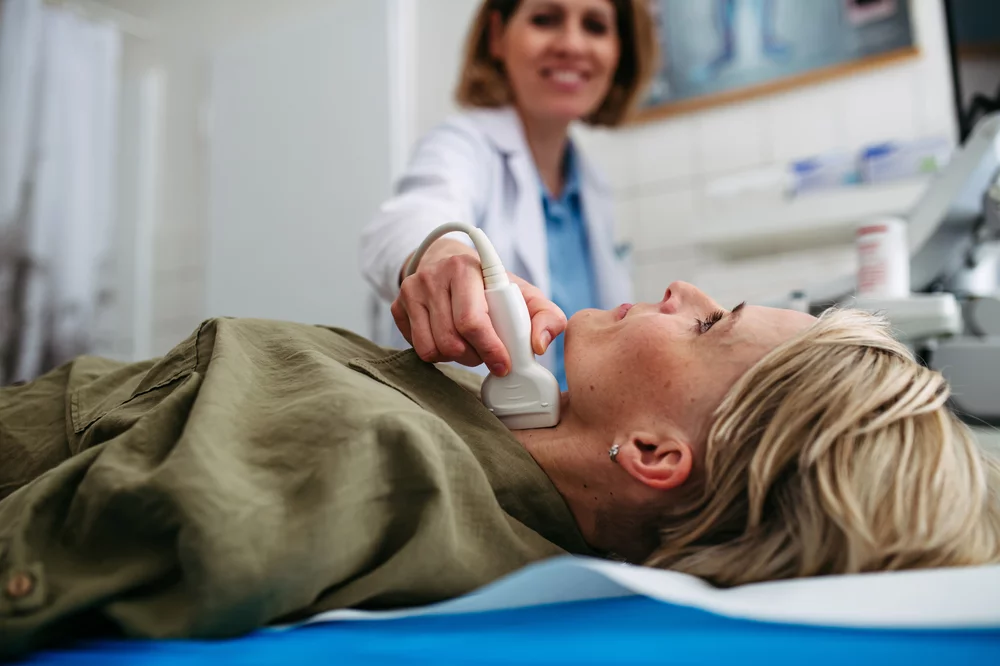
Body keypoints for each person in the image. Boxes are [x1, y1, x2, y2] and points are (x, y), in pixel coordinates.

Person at [1, 281, 998, 656]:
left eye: (706, 323)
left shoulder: (382, 464)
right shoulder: (466, 410)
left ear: (654, 453)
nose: (677, 290)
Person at [360, 0, 658, 390]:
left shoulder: (592, 187)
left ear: (620, 51)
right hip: (471, 435)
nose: (571, 44)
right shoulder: (463, 145)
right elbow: (409, 218)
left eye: (595, 26)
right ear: (498, 36)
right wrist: (441, 254)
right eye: (545, 19)